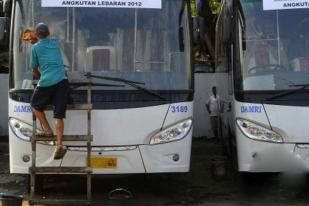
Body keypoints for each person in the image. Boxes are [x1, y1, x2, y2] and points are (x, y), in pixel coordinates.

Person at [30, 23, 70, 160]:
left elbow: (34, 70)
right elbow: (49, 39)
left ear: (36, 34)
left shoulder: (35, 48)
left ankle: (47, 130)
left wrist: (40, 77)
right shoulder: (55, 42)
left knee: (35, 105)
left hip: (46, 82)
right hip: (62, 81)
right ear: (48, 33)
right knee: (58, 115)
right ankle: (59, 144)